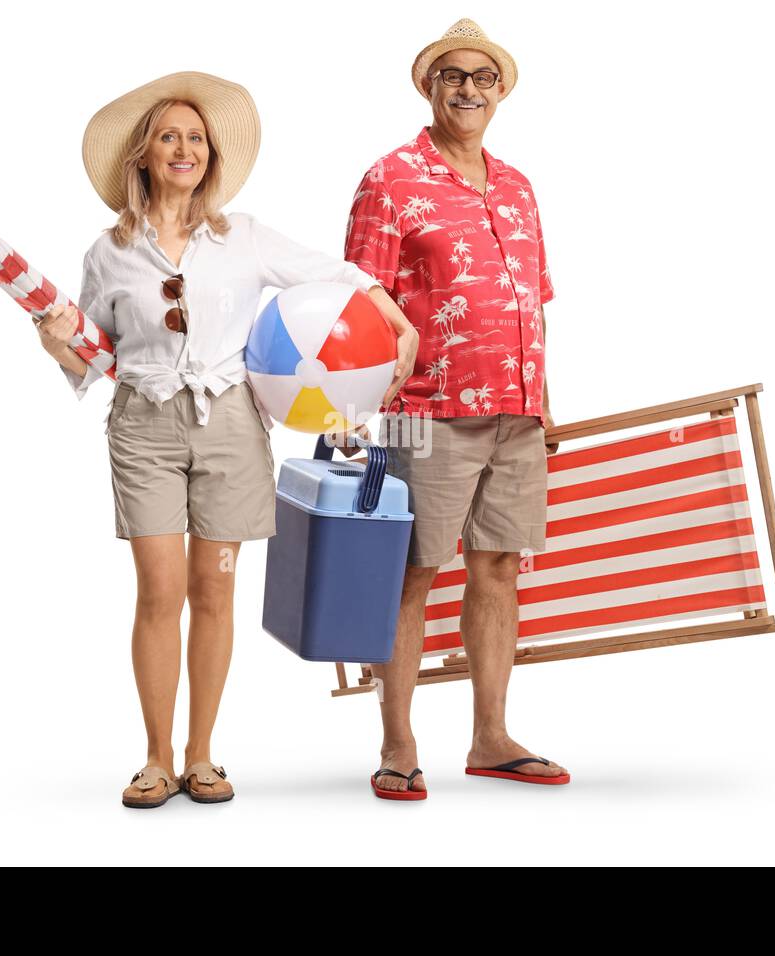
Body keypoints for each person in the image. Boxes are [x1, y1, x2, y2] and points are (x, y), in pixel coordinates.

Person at [34, 71, 417, 808]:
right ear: (143, 155)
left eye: (197, 139)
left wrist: (389, 313)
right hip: (143, 424)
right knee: (161, 589)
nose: (185, 149)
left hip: (233, 425)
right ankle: (154, 758)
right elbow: (90, 355)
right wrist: (56, 343)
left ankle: (202, 755)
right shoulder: (108, 253)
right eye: (169, 137)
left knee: (214, 589)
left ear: (211, 156)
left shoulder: (241, 237)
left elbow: (332, 272)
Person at [342, 21, 569, 799]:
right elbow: (360, 301)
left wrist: (546, 399)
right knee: (411, 574)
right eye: (452, 75)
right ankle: (398, 741)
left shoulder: (517, 186)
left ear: (499, 91)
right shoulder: (390, 178)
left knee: (500, 567)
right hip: (422, 411)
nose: (468, 88)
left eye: (483, 77)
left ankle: (491, 736)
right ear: (429, 86)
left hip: (517, 411)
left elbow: (533, 303)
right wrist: (352, 408)